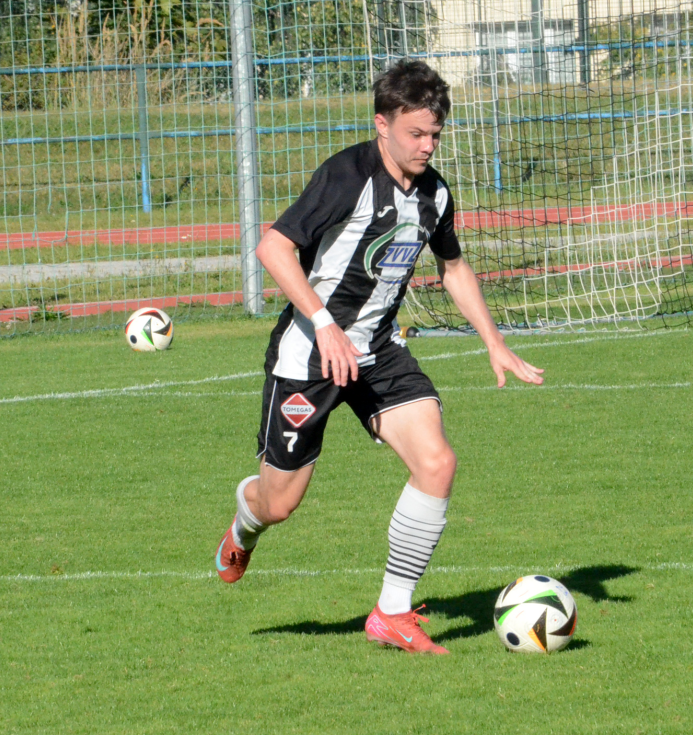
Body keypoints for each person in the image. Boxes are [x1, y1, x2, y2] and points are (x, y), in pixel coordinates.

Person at [214, 59, 544, 654]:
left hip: (378, 349)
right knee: (279, 503)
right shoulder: (346, 176)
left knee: (437, 462)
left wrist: (494, 340)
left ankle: (392, 612)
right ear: (382, 125)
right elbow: (273, 248)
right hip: (310, 354)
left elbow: (453, 267)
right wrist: (324, 326)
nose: (427, 146)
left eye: (435, 134)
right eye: (416, 134)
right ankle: (245, 521)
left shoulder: (435, 193)